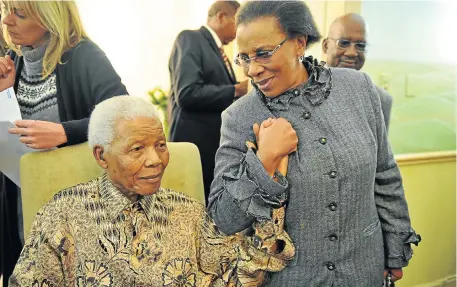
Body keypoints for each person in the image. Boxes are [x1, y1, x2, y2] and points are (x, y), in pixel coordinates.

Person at [208, 1, 420, 286]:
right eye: (244, 58)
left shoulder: (358, 89)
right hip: (290, 278)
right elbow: (223, 219)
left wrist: (395, 251)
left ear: (299, 43)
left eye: (263, 53)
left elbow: (385, 175)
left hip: (364, 271)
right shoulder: (239, 118)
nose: (252, 70)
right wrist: (264, 162)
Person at [9, 96, 294, 286]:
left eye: (160, 144)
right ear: (101, 156)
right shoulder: (63, 213)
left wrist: (267, 169)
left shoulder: (187, 211)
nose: (156, 160)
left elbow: (236, 272)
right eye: (137, 149)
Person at [0, 1, 127, 284]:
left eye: (19, 14)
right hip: (26, 212)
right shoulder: (15, 59)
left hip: (79, 221)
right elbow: (12, 142)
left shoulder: (85, 56)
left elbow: (124, 116)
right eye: (5, 9)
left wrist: (65, 132)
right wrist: (5, 94)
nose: (7, 21)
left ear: (49, 18)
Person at [168, 0, 248, 201]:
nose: (240, 32)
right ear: (221, 16)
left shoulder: (219, 50)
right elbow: (186, 93)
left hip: (212, 149)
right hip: (195, 148)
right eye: (238, 24)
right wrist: (236, 89)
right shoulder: (191, 38)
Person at [322, 13, 393, 131]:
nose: (352, 53)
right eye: (343, 43)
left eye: (361, 45)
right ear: (326, 46)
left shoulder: (381, 100)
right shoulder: (302, 92)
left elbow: (381, 148)